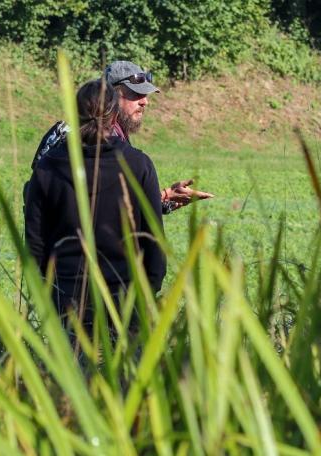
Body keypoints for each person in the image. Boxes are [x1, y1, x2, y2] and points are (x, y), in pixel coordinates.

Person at [24, 80, 166, 331]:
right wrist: (144, 298)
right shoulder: (139, 165)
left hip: (65, 304)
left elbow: (35, 247)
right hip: (125, 302)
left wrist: (49, 300)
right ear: (114, 116)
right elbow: (154, 246)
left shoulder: (46, 169)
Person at [29, 60, 213, 213]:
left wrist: (166, 198)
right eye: (136, 94)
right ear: (110, 95)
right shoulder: (71, 137)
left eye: (145, 94)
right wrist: (164, 195)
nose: (145, 101)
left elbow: (113, 203)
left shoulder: (119, 138)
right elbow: (94, 207)